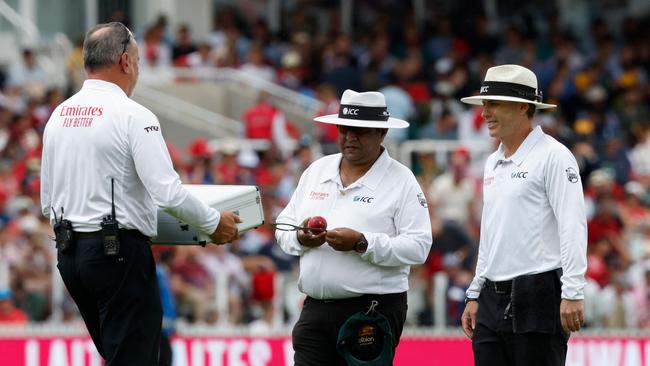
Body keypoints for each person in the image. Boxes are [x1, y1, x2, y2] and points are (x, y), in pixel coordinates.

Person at [40, 22, 240, 365]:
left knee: (119, 355)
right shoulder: (133, 114)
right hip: (116, 253)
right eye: (138, 59)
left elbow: (47, 200)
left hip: (70, 253)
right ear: (125, 62)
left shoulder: (59, 115)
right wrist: (212, 222)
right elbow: (168, 193)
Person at [275, 89, 432, 366]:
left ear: (381, 133)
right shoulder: (317, 171)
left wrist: (363, 243)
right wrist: (302, 238)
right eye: (344, 129)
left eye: (360, 131)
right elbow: (283, 228)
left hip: (371, 309)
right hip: (315, 307)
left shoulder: (402, 180)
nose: (349, 137)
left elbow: (419, 247)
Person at [459, 64, 588, 366]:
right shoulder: (492, 162)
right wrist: (476, 291)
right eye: (484, 104)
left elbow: (573, 225)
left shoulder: (555, 156)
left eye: (494, 104)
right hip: (490, 298)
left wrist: (572, 291)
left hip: (539, 295)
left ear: (521, 107)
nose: (485, 113)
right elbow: (491, 232)